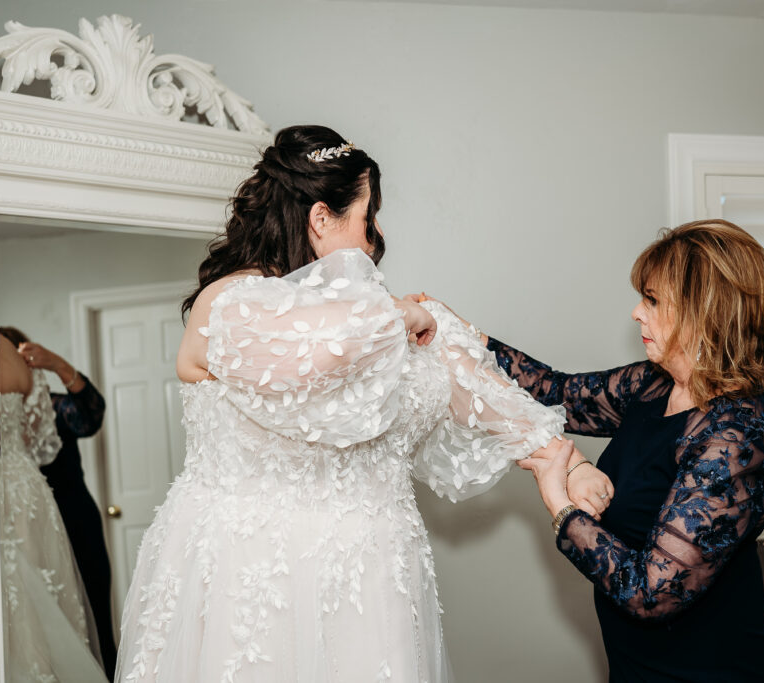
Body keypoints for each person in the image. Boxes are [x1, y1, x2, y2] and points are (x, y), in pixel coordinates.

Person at [114, 125, 613, 682]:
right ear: (322, 219)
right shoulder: (232, 302)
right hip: (255, 573)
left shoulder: (377, 316)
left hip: (375, 575)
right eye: (366, 215)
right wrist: (398, 318)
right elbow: (305, 357)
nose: (375, 236)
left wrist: (560, 457)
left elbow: (474, 388)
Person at [420, 220, 764, 681]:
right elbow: (553, 391)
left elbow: (651, 593)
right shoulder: (653, 385)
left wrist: (561, 505)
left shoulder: (734, 440)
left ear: (701, 314)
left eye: (652, 300)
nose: (636, 312)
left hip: (703, 669)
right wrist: (454, 330)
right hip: (636, 663)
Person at [0, 326, 117, 679]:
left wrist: (58, 365)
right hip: (20, 527)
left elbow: (91, 415)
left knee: (91, 615)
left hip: (74, 519)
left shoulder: (52, 407)